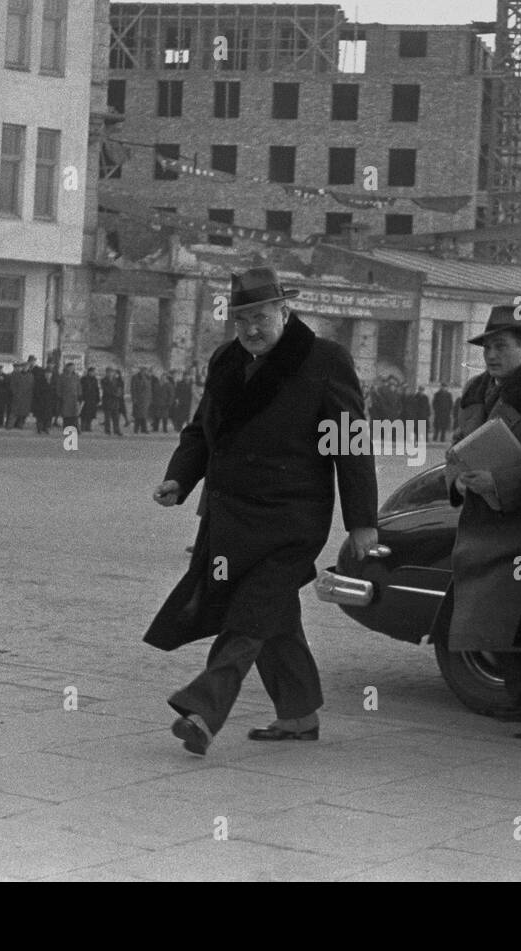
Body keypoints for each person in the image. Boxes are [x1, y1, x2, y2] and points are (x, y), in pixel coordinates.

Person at [146, 266, 380, 756]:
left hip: (292, 519)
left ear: (284, 312)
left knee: (248, 613)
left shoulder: (324, 361)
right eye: (242, 318)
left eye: (261, 316)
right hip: (231, 519)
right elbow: (200, 429)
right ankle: (298, 714)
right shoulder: (226, 360)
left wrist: (361, 523)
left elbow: (351, 444)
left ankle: (203, 711)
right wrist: (180, 477)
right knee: (273, 615)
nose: (252, 328)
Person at [430, 306, 521, 743]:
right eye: (487, 347)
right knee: (487, 621)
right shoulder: (476, 389)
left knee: (513, 620)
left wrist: (500, 479)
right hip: (481, 518)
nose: (491, 355)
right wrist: (456, 476)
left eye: (502, 346)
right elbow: (459, 445)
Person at [56, 361, 81, 431]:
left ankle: (76, 428)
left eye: (73, 368)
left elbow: (79, 386)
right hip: (65, 398)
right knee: (66, 414)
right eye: (70, 368)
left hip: (74, 398)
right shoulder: (62, 376)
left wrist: (80, 395)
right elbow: (59, 387)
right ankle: (66, 427)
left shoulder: (76, 376)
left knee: (75, 414)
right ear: (67, 368)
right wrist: (59, 396)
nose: (71, 369)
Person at [100, 366, 124, 436]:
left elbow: (120, 388)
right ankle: (107, 430)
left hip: (115, 401)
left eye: (111, 372)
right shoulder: (104, 380)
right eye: (109, 372)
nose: (110, 373)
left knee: (116, 417)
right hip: (107, 400)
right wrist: (115, 394)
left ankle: (117, 430)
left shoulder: (116, 380)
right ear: (106, 373)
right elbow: (106, 389)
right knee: (107, 417)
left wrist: (118, 394)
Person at [9, 361, 34, 429]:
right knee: (14, 412)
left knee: (24, 413)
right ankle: (10, 425)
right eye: (24, 367)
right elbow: (12, 385)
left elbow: (32, 386)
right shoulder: (17, 375)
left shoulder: (30, 376)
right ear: (22, 367)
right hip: (17, 396)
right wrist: (15, 393)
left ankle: (20, 425)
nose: (25, 368)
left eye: (27, 367)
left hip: (26, 397)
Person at [131, 366, 152, 434]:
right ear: (140, 370)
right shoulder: (135, 377)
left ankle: (144, 429)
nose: (144, 372)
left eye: (145, 371)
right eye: (143, 370)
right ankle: (136, 429)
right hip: (138, 399)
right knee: (138, 415)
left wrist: (150, 398)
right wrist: (134, 398)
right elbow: (133, 389)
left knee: (144, 415)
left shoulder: (147, 377)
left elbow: (149, 389)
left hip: (145, 399)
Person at [80, 365, 100, 432]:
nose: (93, 373)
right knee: (84, 413)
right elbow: (81, 389)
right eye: (92, 372)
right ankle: (82, 426)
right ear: (89, 372)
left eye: (94, 372)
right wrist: (81, 397)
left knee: (91, 414)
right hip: (85, 398)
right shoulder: (83, 379)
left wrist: (98, 398)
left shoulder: (95, 379)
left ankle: (88, 426)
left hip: (92, 398)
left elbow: (97, 389)